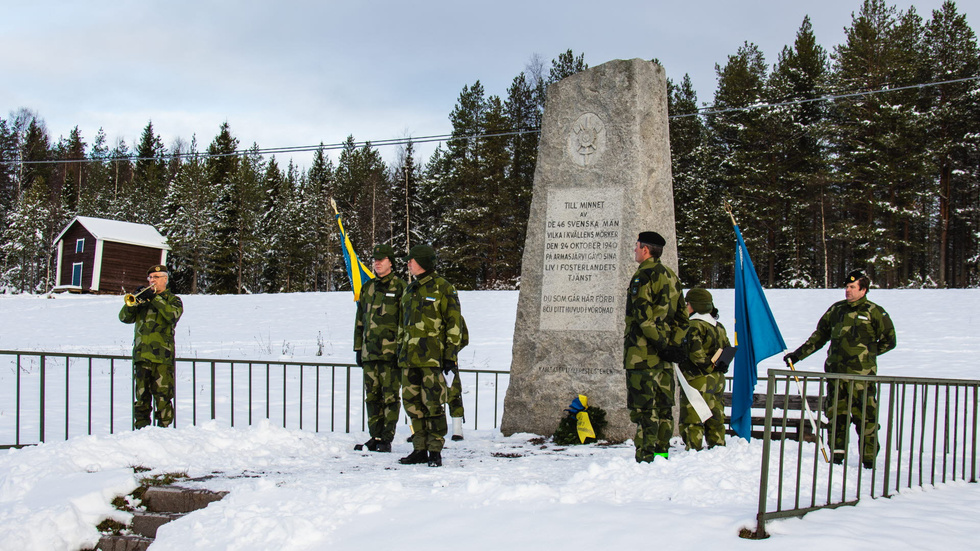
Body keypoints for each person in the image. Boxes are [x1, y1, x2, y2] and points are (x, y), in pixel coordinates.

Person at [783, 270, 896, 467]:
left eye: (853, 287)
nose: (848, 290)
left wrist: (867, 355)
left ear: (863, 290)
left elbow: (889, 340)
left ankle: (868, 459)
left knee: (866, 418)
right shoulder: (836, 310)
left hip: (862, 378)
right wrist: (798, 355)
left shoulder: (874, 311)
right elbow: (819, 336)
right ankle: (836, 456)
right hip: (836, 375)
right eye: (847, 287)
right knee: (836, 417)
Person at [397, 245, 466, 468]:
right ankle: (419, 448)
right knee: (412, 405)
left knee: (434, 405)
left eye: (412, 260)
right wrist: (400, 351)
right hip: (409, 360)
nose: (408, 263)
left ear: (423, 262)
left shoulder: (443, 288)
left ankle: (435, 450)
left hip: (433, 361)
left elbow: (454, 325)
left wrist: (450, 356)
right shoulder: (409, 290)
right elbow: (402, 325)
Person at [623, 231, 688, 462]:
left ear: (646, 249)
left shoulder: (644, 276)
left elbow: (643, 317)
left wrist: (661, 345)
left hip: (643, 357)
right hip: (664, 359)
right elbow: (682, 317)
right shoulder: (670, 275)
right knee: (663, 410)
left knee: (644, 412)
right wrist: (673, 345)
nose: (635, 250)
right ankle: (661, 455)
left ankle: (646, 458)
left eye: (637, 246)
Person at [353, 244, 406, 453]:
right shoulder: (368, 288)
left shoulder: (401, 287)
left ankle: (386, 438)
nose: (376, 263)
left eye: (381, 260)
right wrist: (358, 348)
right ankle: (374, 435)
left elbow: (404, 321)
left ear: (390, 262)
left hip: (391, 354)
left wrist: (401, 350)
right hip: (370, 353)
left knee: (390, 397)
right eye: (374, 260)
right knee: (372, 397)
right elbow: (360, 320)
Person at [119, 264, 184, 429]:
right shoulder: (144, 300)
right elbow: (124, 318)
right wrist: (134, 301)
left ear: (165, 279)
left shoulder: (173, 300)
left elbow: (172, 315)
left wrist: (154, 298)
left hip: (162, 358)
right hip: (142, 356)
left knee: (163, 399)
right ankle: (141, 431)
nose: (152, 281)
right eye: (150, 278)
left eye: (156, 277)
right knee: (141, 399)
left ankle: (165, 432)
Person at [677, 288, 731, 451]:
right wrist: (721, 365)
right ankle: (718, 446)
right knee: (716, 416)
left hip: (698, 379)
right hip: (718, 380)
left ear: (695, 306)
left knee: (693, 416)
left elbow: (696, 352)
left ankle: (693, 449)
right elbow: (727, 348)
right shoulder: (718, 326)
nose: (686, 307)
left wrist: (708, 367)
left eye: (688, 303)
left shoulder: (693, 325)